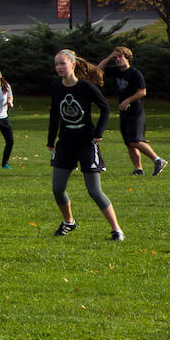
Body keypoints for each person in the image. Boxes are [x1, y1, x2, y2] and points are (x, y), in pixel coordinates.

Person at [47, 49, 124, 241]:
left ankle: (116, 230)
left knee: (94, 191)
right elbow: (54, 114)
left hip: (85, 144)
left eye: (62, 63)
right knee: (57, 188)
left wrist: (98, 133)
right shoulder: (56, 87)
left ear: (72, 65)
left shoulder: (86, 88)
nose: (58, 67)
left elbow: (105, 108)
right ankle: (69, 222)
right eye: (56, 64)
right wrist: (51, 140)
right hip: (65, 144)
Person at [97, 47, 168, 176]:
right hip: (124, 111)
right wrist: (110, 56)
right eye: (116, 58)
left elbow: (142, 91)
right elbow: (98, 70)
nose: (117, 60)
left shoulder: (135, 73)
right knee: (128, 142)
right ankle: (138, 169)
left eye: (120, 57)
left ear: (128, 58)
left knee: (135, 140)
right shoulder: (116, 72)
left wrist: (127, 101)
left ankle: (157, 160)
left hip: (135, 111)